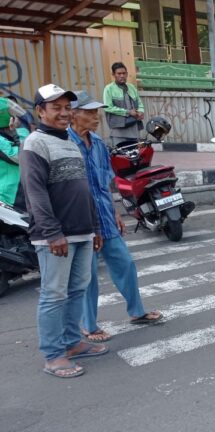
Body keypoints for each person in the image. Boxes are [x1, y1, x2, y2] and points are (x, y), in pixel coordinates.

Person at [21, 84, 105, 378]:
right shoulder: (35, 143)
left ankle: (71, 344)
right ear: (41, 111)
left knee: (76, 290)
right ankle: (53, 354)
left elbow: (86, 190)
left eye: (67, 107)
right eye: (55, 108)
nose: (64, 113)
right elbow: (36, 194)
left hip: (82, 231)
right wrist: (53, 233)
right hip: (55, 236)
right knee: (53, 294)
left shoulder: (70, 142)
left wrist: (95, 227)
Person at [68, 91, 163, 343]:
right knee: (87, 275)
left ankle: (137, 311)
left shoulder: (98, 143)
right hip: (81, 220)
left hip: (104, 216)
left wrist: (115, 212)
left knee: (125, 264)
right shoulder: (65, 144)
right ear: (73, 114)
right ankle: (88, 325)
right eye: (89, 112)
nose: (95, 116)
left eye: (95, 111)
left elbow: (104, 184)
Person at [103, 62, 145, 147]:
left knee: (135, 156)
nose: (122, 76)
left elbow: (140, 103)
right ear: (113, 74)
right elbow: (108, 108)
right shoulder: (109, 88)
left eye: (124, 73)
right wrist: (128, 112)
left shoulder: (132, 87)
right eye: (119, 73)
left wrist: (141, 111)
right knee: (120, 157)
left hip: (134, 129)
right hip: (118, 131)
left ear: (127, 74)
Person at [0, 97, 28, 208]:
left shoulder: (10, 134)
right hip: (7, 198)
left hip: (19, 195)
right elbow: (22, 155)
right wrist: (20, 130)